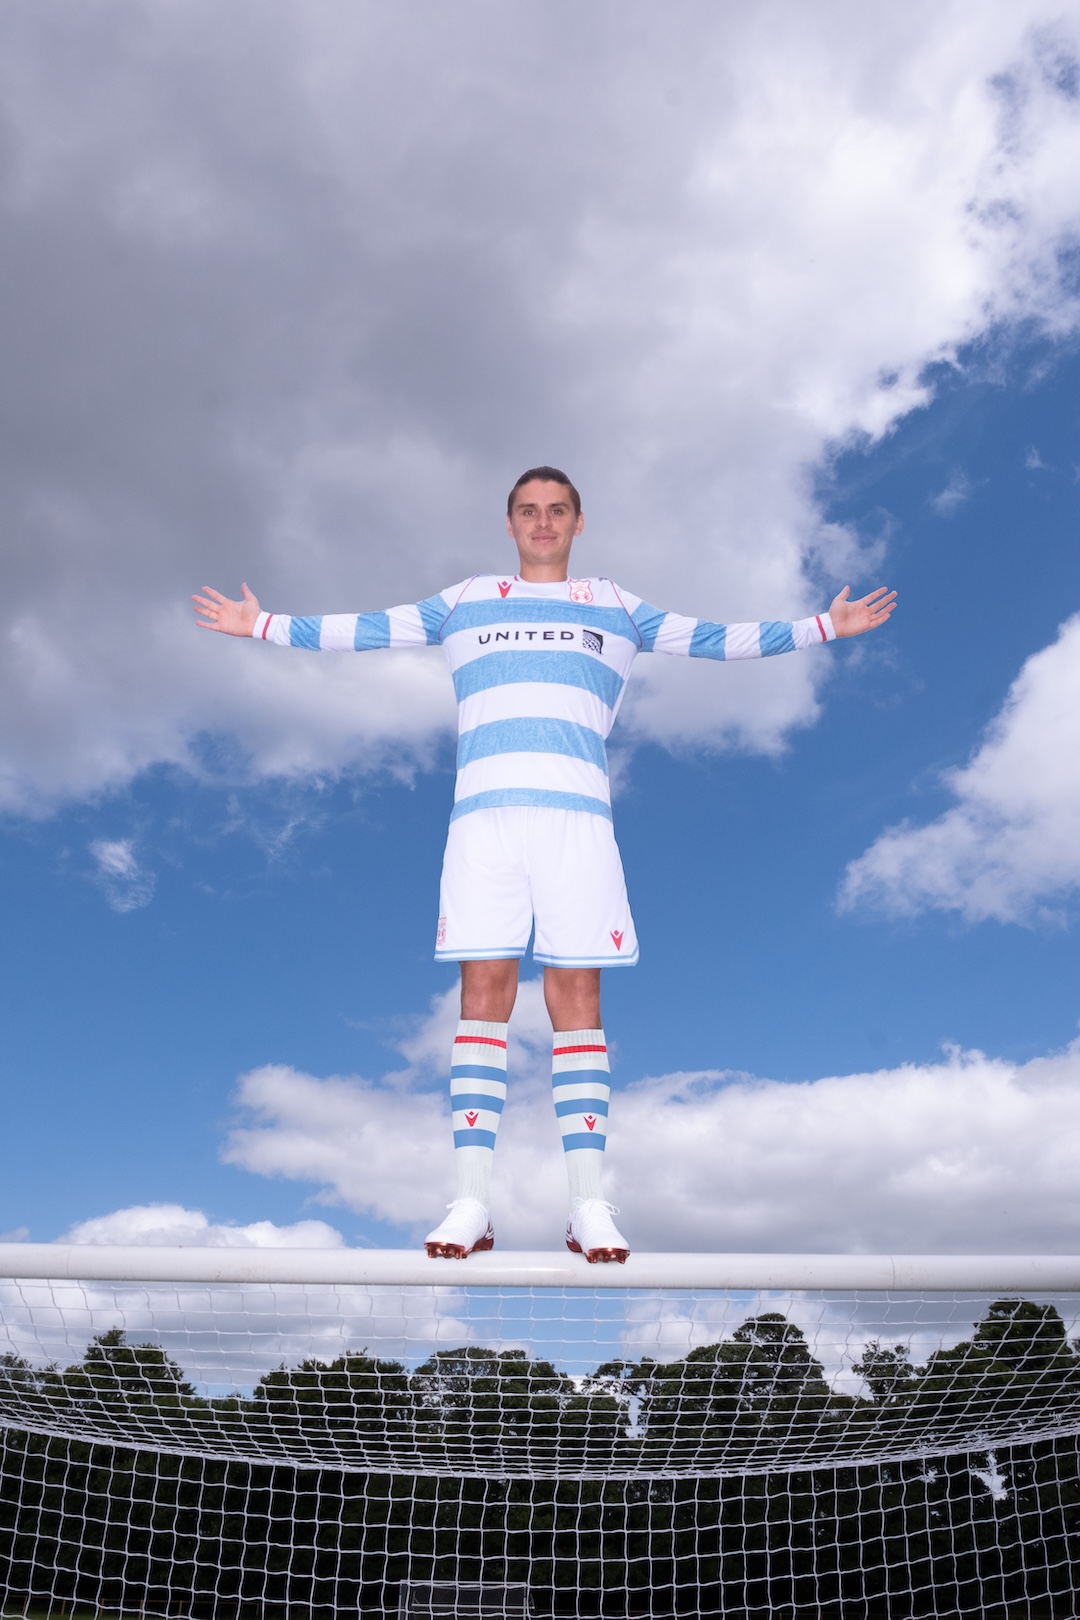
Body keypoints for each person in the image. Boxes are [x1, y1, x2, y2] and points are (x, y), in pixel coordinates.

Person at [193, 466, 896, 1263]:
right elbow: (366, 629)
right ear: (509, 523)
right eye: (528, 510)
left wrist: (823, 626)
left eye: (557, 510)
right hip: (484, 823)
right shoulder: (465, 600)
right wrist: (263, 625)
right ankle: (470, 1203)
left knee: (578, 1000)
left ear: (578, 523)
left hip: (577, 825)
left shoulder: (615, 606)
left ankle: (588, 1206)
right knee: (482, 997)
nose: (543, 522)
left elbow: (716, 638)